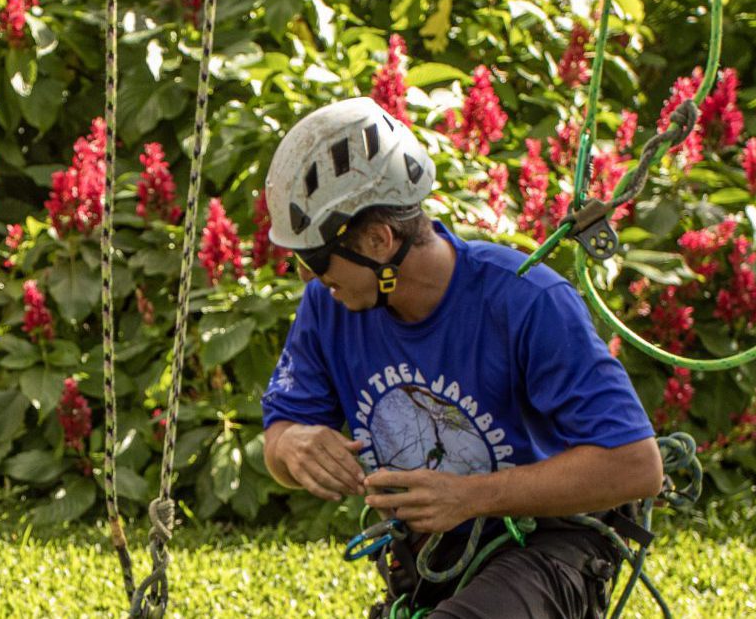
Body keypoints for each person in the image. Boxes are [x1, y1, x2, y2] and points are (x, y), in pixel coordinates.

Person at [257, 97, 662, 618]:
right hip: (431, 558)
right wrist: (293, 444)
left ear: (380, 240)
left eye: (314, 257)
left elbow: (636, 466)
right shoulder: (330, 305)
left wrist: (473, 497)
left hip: (549, 546)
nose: (307, 276)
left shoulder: (526, 300)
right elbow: (278, 438)